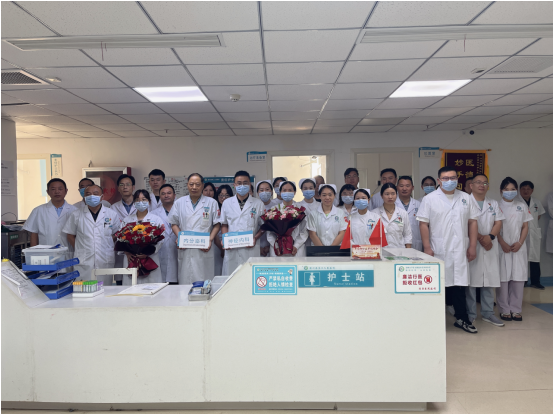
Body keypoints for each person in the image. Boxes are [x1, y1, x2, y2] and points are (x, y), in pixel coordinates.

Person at [417, 166, 479, 334]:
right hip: (439, 249)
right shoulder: (430, 199)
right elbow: (423, 223)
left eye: (452, 178)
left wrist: (472, 246)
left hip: (460, 249)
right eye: (445, 178)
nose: (449, 181)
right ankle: (435, 322)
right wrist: (427, 247)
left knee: (459, 285)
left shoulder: (466, 198)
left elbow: (473, 222)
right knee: (438, 285)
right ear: (439, 180)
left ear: (457, 179)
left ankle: (462, 319)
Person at [466, 174, 505, 327]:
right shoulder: (465, 202)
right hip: (472, 244)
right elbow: (465, 223)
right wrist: (482, 238)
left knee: (489, 280)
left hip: (490, 245)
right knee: (470, 282)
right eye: (478, 182)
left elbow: (498, 222)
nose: (481, 185)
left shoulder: (493, 203)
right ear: (471, 185)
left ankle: (488, 313)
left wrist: (490, 237)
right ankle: (470, 314)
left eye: (485, 183)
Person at [169, 173, 221, 284]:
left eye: (197, 184)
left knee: (204, 282)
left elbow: (217, 224)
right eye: (191, 184)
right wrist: (180, 237)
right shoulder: (179, 203)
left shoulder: (212, 203)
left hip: (204, 248)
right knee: (185, 282)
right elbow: (174, 223)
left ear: (202, 185)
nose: (194, 187)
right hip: (185, 248)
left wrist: (210, 239)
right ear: (187, 185)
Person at [63, 184, 122, 281]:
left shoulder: (111, 214)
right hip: (83, 259)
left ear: (102, 197)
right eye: (88, 194)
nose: (91, 196)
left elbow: (118, 233)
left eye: (95, 193)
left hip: (104, 258)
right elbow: (70, 235)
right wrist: (80, 249)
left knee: (104, 287)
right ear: (84, 197)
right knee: (84, 288)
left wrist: (107, 242)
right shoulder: (76, 214)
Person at [497, 177, 532, 322]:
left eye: (512, 189)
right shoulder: (496, 206)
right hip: (502, 247)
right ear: (501, 191)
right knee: (503, 279)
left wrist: (520, 242)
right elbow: (494, 227)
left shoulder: (521, 206)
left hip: (518, 247)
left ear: (516, 191)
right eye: (506, 189)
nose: (509, 192)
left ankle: (516, 309)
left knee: (518, 278)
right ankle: (504, 309)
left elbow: (525, 226)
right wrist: (502, 243)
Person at [220, 171, 265, 275]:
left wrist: (255, 238)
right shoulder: (227, 203)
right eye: (239, 183)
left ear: (249, 184)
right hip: (232, 248)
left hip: (250, 248)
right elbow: (224, 224)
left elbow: (263, 226)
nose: (242, 186)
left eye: (245, 183)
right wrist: (225, 238)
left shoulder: (258, 203)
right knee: (231, 278)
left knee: (249, 277)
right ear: (234, 185)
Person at [118, 190, 165, 285]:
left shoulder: (156, 219)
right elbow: (120, 238)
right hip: (131, 259)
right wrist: (127, 252)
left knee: (151, 287)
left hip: (150, 258)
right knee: (131, 287)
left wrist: (148, 251)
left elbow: (161, 239)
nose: (140, 202)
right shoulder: (127, 220)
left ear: (149, 202)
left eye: (144, 200)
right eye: (137, 200)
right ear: (134, 203)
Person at [23, 179, 77, 256]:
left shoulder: (75, 211)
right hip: (45, 254)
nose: (57, 192)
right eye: (53, 189)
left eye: (60, 189)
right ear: (48, 192)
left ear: (66, 191)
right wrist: (34, 254)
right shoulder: (38, 210)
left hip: (69, 254)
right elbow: (34, 234)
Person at [266, 181, 308, 257]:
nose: (287, 192)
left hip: (296, 249)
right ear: (280, 192)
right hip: (278, 249)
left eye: (290, 190)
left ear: (294, 192)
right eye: (284, 190)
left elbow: (304, 231)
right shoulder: (274, 210)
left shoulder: (300, 209)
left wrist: (296, 245)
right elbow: (269, 233)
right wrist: (276, 246)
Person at [109, 174, 136, 284]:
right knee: (121, 280)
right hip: (120, 249)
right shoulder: (113, 208)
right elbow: (111, 230)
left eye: (128, 184)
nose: (125, 187)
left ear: (133, 187)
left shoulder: (142, 205)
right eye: (122, 185)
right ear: (118, 188)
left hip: (139, 248)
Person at [520, 181, 546, 289]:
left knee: (535, 258)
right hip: (521, 234)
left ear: (532, 190)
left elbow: (538, 216)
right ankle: (522, 282)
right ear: (520, 190)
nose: (526, 191)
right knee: (522, 259)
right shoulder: (516, 202)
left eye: (528, 189)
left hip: (534, 233)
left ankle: (535, 281)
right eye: (523, 189)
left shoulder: (536, 202)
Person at [371, 183, 412, 248]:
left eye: (393, 194)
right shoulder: (374, 214)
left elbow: (407, 235)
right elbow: (370, 235)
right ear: (381, 195)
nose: (390, 197)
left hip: (399, 251)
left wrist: (408, 251)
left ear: (396, 195)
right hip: (380, 250)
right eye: (387, 194)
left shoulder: (403, 213)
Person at [152, 184, 178, 284]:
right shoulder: (153, 214)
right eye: (163, 194)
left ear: (174, 195)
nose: (166, 195)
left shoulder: (181, 211)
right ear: (160, 197)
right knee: (161, 282)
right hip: (161, 250)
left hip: (177, 248)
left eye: (169, 193)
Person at [396, 176, 422, 251]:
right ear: (397, 187)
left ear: (412, 188)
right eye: (401, 186)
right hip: (398, 243)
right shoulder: (393, 204)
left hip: (415, 242)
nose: (404, 189)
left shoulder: (419, 204)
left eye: (407, 186)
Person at [213, 185, 233, 274]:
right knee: (217, 270)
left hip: (230, 244)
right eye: (221, 195)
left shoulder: (233, 209)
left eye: (227, 195)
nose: (223, 198)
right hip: (215, 243)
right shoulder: (214, 208)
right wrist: (221, 248)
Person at [257, 180, 277, 257]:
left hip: (273, 244)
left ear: (271, 192)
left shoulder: (276, 207)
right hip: (256, 243)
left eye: (267, 189)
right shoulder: (254, 207)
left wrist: (272, 245)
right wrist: (258, 248)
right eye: (261, 190)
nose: (264, 192)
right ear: (258, 193)